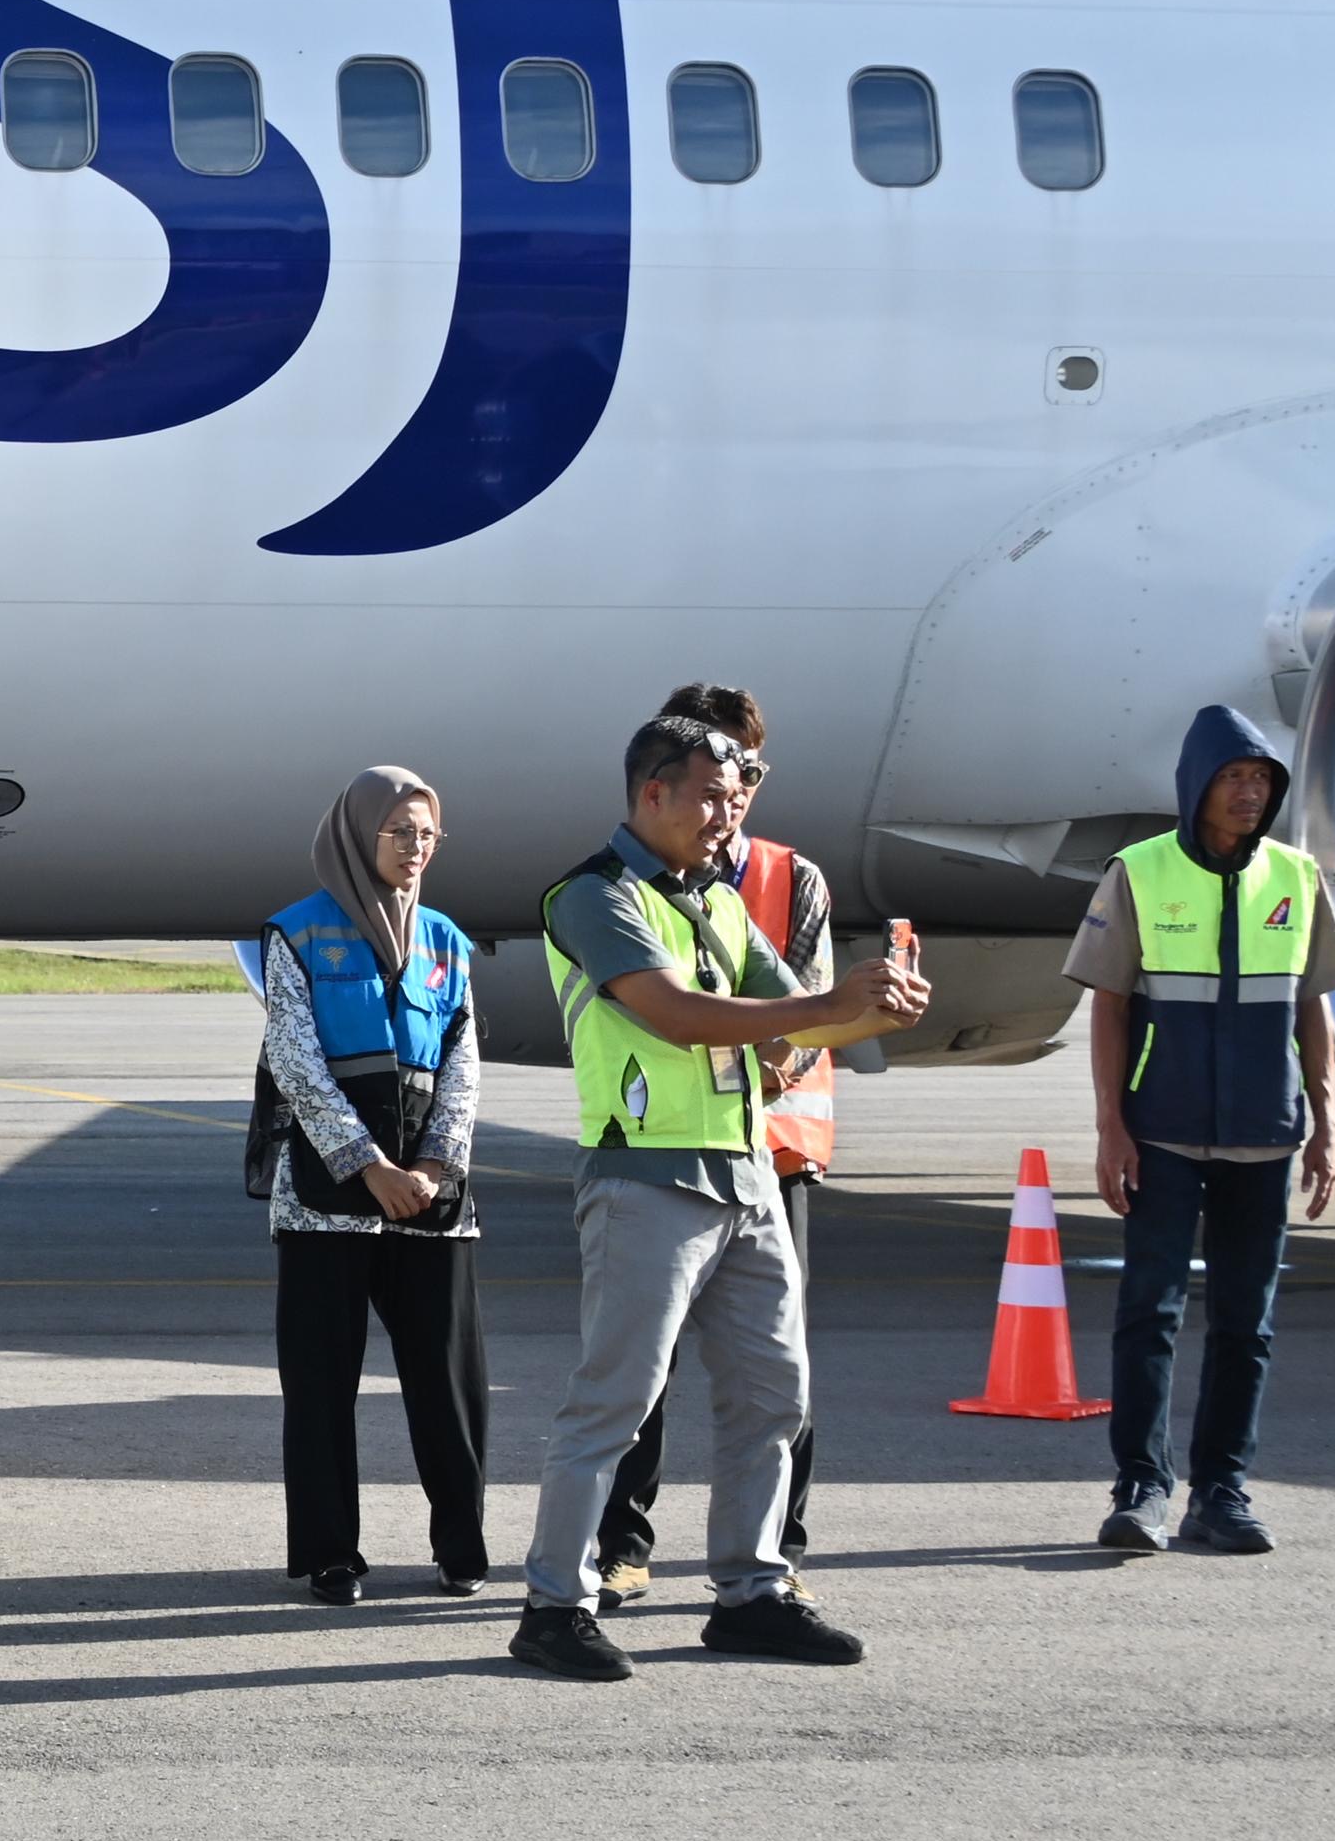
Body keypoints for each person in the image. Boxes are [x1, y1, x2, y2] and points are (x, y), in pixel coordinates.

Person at [510, 713, 927, 1685]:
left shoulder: (721, 905)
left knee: (774, 1395)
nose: (724, 814)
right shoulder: (589, 897)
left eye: (735, 799)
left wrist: (882, 1001)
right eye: (706, 796)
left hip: (743, 1178)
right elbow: (675, 1013)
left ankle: (749, 1592)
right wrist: (823, 1008)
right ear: (648, 793)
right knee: (610, 1402)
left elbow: (794, 1034)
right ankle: (552, 1605)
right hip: (644, 1176)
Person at [1066, 703, 1335, 1557]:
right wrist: (1111, 1126)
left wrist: (1327, 1119)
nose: (1250, 794)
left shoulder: (1298, 878)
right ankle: (1141, 1487)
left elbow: (1313, 1003)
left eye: (1262, 780)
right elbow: (1108, 1006)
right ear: (1198, 787)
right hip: (1162, 1132)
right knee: (1147, 1310)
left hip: (1264, 1136)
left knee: (1246, 1321)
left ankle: (1221, 1488)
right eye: (1234, 777)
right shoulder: (1138, 871)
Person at [596, 681, 834, 1607]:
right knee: (640, 1374)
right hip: (670, 1152)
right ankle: (624, 1544)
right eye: (714, 773)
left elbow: (811, 1002)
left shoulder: (788, 876)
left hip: (772, 1152)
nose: (731, 792)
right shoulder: (624, 886)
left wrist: (790, 1047)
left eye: (748, 771)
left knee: (778, 1375)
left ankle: (776, 1552)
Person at [252, 766, 488, 1606]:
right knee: (320, 1388)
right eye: (400, 832)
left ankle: (462, 1546)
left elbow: (462, 1063)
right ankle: (330, 1554)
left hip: (431, 1202)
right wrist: (367, 1163)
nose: (416, 848)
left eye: (428, 833)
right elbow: (294, 1057)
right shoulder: (297, 932)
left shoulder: (450, 941)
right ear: (359, 835)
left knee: (449, 1384)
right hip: (327, 1202)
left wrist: (432, 1165)